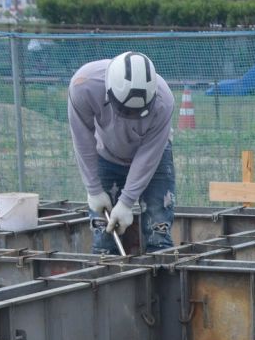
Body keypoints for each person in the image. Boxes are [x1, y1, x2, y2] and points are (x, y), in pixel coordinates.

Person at [68, 51, 176, 254]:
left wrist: (126, 202)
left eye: (139, 112)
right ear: (109, 92)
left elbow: (148, 156)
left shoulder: (164, 102)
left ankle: (163, 280)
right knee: (104, 240)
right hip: (106, 154)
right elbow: (82, 139)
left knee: (158, 233)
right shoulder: (84, 85)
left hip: (154, 159)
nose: (132, 118)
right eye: (126, 111)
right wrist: (94, 190)